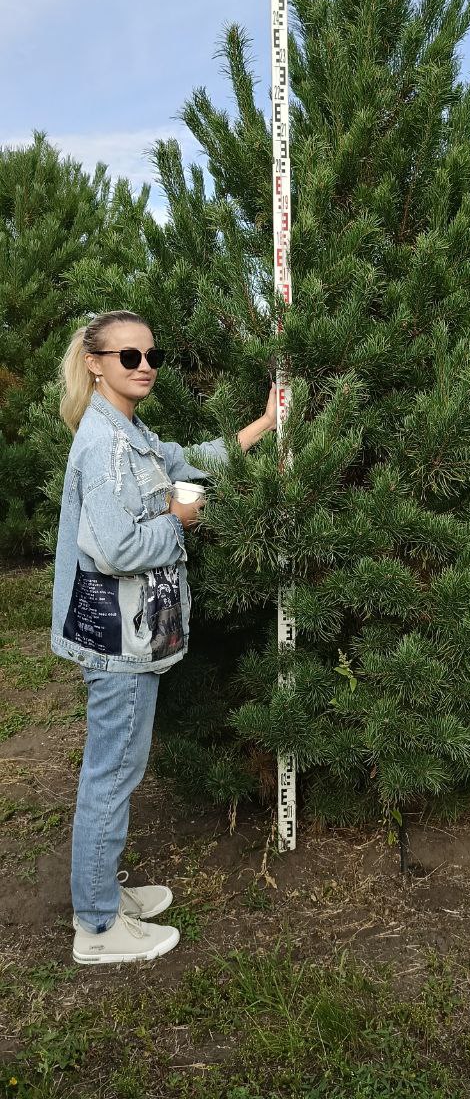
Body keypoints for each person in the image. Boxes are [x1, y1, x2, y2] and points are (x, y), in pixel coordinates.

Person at [50, 310, 276, 965]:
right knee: (113, 773)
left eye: (152, 355)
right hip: (117, 640)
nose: (144, 365)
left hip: (131, 633)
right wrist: (179, 521)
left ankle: (101, 894)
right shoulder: (104, 445)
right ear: (95, 364)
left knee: (118, 766)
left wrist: (265, 424)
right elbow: (117, 548)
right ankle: (97, 927)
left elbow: (190, 459)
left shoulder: (132, 433)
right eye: (129, 356)